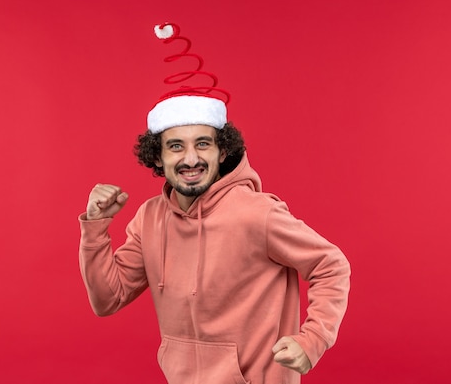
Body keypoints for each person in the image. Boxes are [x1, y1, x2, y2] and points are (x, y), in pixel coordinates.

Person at [78, 23, 351, 384]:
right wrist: (96, 229)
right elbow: (107, 300)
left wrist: (313, 339)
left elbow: (331, 265)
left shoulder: (257, 213)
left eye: (202, 144)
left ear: (223, 151)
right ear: (157, 158)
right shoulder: (149, 219)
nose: (191, 158)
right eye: (176, 146)